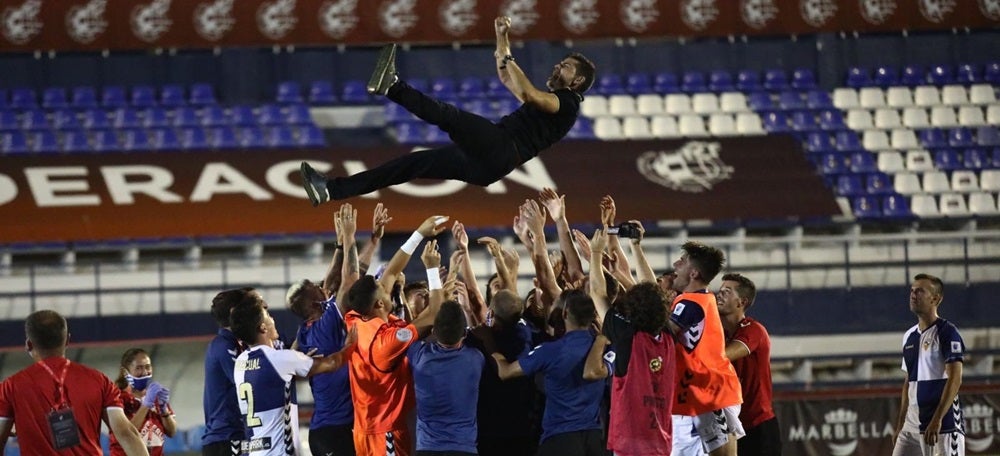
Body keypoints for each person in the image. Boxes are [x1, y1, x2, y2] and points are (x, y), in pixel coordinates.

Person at [299, 15, 595, 204]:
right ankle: (332, 190)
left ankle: (392, 87)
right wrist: (502, 38)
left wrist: (510, 57)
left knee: (449, 116)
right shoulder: (554, 100)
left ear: (577, 80)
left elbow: (528, 94)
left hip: (501, 148)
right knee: (411, 164)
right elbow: (508, 78)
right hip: (489, 164)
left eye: (566, 67)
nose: (558, 66)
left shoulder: (568, 102)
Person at [343, 215, 450, 456]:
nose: (387, 284)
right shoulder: (388, 342)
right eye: (383, 288)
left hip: (363, 429)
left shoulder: (356, 319)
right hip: (386, 433)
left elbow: (391, 272)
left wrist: (419, 234)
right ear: (380, 302)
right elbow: (434, 313)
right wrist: (432, 270)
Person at [0, 310, 148, 456]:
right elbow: (126, 433)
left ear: (28, 344)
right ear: (67, 340)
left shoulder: (11, 387)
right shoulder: (99, 381)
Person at [231, 288, 356, 456]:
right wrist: (350, 345)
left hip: (255, 450)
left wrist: (298, 359)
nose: (272, 319)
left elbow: (276, 378)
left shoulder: (241, 363)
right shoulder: (280, 359)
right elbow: (332, 363)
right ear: (262, 328)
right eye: (268, 316)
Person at [585, 227, 676, 456]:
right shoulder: (668, 338)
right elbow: (653, 291)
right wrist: (636, 246)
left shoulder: (628, 338)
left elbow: (597, 293)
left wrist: (595, 254)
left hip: (629, 445)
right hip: (661, 443)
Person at [492, 290, 607, 456]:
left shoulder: (550, 350)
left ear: (565, 313)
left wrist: (488, 342)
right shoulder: (603, 348)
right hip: (595, 439)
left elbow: (505, 372)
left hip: (560, 439)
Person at [666, 242, 744, 456]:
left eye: (681, 262)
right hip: (700, 393)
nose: (675, 265)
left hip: (710, 394)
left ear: (693, 273)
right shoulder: (698, 299)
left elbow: (659, 335)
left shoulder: (689, 303)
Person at [892, 273, 966, 456]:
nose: (913, 294)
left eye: (920, 291)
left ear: (935, 298)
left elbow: (955, 379)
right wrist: (900, 424)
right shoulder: (909, 336)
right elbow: (908, 382)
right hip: (912, 425)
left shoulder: (947, 332)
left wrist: (937, 419)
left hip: (943, 425)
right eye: (912, 290)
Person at [465, 289, 538, 456]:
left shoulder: (482, 340)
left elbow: (479, 332)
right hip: (520, 426)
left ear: (490, 312)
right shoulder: (525, 335)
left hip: (488, 429)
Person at [407, 300, 485, 455]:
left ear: (434, 330)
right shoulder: (476, 359)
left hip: (427, 448)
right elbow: (480, 336)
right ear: (464, 333)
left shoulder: (418, 355)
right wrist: (468, 311)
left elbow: (410, 333)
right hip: (463, 448)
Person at [716, 274, 780, 456]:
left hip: (758, 427)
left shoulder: (754, 330)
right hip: (730, 426)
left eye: (726, 292)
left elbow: (723, 356)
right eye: (720, 291)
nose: (719, 295)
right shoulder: (718, 332)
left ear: (741, 302)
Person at [202, 288, 252, 455]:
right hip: (224, 440)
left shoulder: (238, 343)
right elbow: (246, 381)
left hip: (236, 436)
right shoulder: (223, 345)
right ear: (233, 312)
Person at [109, 348, 177, 456]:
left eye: (147, 367)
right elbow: (127, 434)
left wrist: (164, 410)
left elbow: (172, 432)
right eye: (138, 368)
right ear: (124, 372)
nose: (145, 372)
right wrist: (146, 405)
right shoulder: (117, 399)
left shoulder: (155, 395)